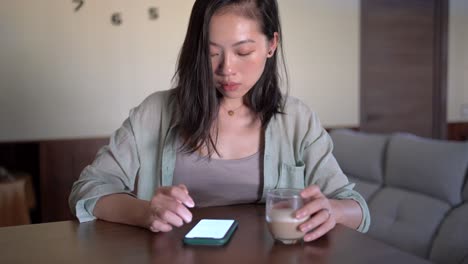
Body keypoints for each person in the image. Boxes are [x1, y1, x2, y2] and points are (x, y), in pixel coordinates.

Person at [69, 0, 370, 242]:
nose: (227, 69)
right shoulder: (156, 112)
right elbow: (89, 189)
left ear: (271, 44)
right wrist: (145, 212)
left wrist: (333, 210)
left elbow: (356, 208)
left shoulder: (297, 120)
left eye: (243, 51)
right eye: (211, 53)